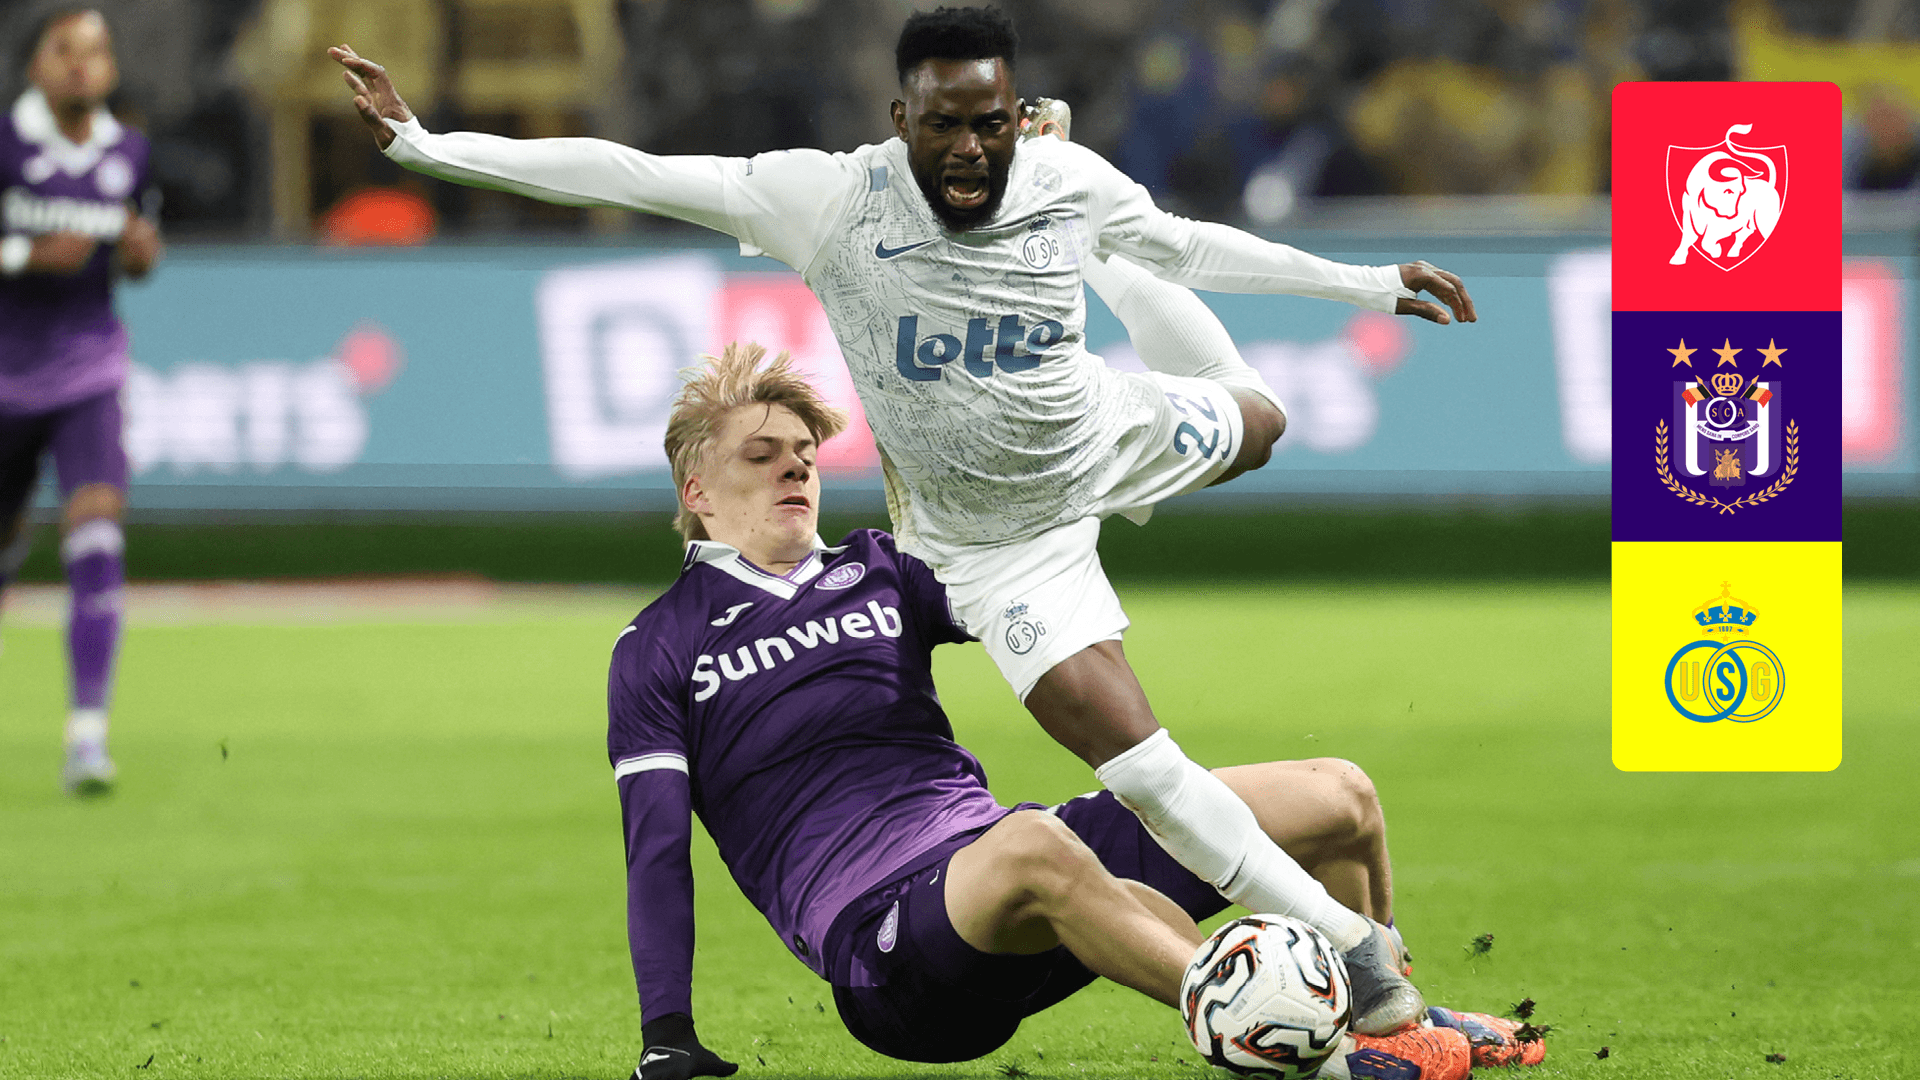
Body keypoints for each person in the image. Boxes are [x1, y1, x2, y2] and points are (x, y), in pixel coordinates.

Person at [329, 4, 1477, 1033]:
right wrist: (430, 146)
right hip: (996, 547)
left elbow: (1185, 244)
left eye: (990, 126)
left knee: (1262, 417)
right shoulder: (830, 202)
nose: (968, 149)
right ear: (901, 120)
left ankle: (1366, 981)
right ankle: (1366, 970)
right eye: (944, 127)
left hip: (1104, 432)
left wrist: (1369, 284)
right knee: (1136, 760)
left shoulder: (1060, 181)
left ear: (1013, 119)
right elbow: (632, 172)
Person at [611, 343, 1540, 1080]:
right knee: (1037, 846)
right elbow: (656, 851)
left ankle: (1398, 1025)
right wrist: (667, 1031)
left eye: (806, 457)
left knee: (1338, 797)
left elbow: (1022, 582)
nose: (794, 470)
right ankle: (1281, 1037)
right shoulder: (658, 644)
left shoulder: (879, 568)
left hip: (1007, 871)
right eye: (762, 456)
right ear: (697, 491)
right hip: (886, 951)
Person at [0, 6, 161, 796]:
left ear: (111, 68)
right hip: (5, 376)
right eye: (64, 49)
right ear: (34, 65)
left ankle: (87, 739)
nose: (80, 64)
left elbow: (137, 261)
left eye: (94, 50)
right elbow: (36, 250)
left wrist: (139, 254)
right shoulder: (5, 145)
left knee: (97, 533)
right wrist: (26, 255)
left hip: (88, 371)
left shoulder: (130, 151)